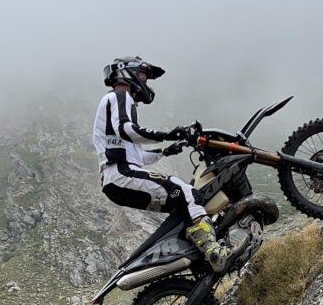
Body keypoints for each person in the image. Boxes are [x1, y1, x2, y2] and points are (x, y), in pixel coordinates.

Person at [92, 56, 245, 272]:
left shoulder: (113, 104)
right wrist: (166, 134)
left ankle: (196, 255)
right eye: (144, 76)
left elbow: (136, 154)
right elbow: (127, 129)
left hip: (117, 180)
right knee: (186, 192)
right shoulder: (119, 95)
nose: (146, 82)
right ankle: (214, 252)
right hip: (121, 174)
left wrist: (166, 151)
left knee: (182, 205)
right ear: (130, 73)